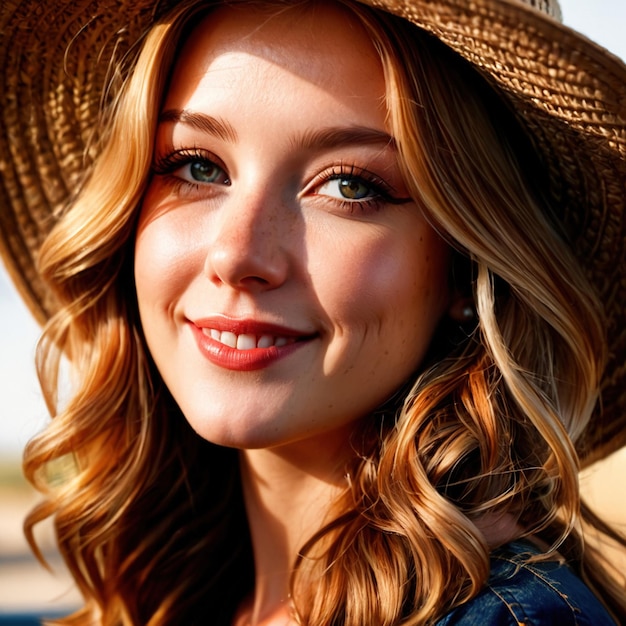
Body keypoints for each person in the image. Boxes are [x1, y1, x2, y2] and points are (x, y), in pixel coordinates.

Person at [0, 0, 625, 624]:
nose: (238, 253)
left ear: (469, 263)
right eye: (197, 167)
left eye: (349, 185)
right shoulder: (167, 598)